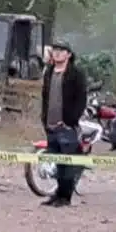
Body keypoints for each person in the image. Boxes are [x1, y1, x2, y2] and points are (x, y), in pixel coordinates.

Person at [40, 39, 88, 207]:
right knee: (57, 163)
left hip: (66, 127)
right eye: (55, 49)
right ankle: (58, 193)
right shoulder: (49, 72)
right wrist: (44, 119)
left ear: (69, 54)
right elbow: (45, 97)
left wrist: (70, 121)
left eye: (62, 50)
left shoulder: (76, 73)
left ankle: (65, 197)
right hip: (50, 125)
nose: (58, 52)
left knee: (68, 164)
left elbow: (81, 99)